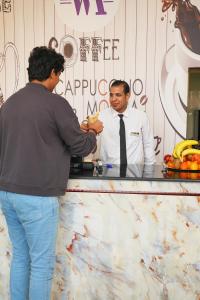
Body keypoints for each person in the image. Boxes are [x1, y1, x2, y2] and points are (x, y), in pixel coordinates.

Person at [0, 46, 103, 300]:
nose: (58, 81)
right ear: (53, 72)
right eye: (59, 75)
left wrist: (75, 131)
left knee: (21, 258)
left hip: (7, 193)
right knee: (42, 266)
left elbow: (40, 135)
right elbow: (79, 145)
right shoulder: (55, 103)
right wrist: (92, 132)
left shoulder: (9, 104)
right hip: (37, 197)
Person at [97, 80, 155, 166]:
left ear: (127, 96)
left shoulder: (141, 117)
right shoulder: (100, 117)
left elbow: (148, 145)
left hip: (135, 174)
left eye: (118, 95)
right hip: (108, 173)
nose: (113, 99)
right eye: (111, 95)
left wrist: (150, 171)